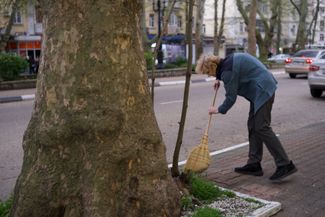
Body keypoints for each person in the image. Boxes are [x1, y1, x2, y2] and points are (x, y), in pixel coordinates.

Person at [195, 53, 297, 182]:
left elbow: (231, 98)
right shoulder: (227, 61)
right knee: (253, 126)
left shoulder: (227, 72)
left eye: (207, 72)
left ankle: (285, 164)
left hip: (263, 90)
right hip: (260, 88)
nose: (208, 75)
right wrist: (218, 78)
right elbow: (227, 70)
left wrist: (218, 109)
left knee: (262, 127)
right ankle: (254, 164)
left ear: (212, 67)